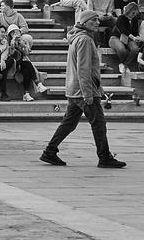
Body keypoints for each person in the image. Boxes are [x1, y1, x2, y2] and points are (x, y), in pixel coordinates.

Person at [41, 10, 125, 169]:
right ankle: (105, 156)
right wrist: (88, 94)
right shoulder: (85, 40)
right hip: (83, 90)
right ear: (85, 22)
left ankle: (50, 151)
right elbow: (84, 69)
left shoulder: (77, 38)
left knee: (69, 123)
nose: (98, 23)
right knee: (98, 123)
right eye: (94, 20)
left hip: (75, 88)